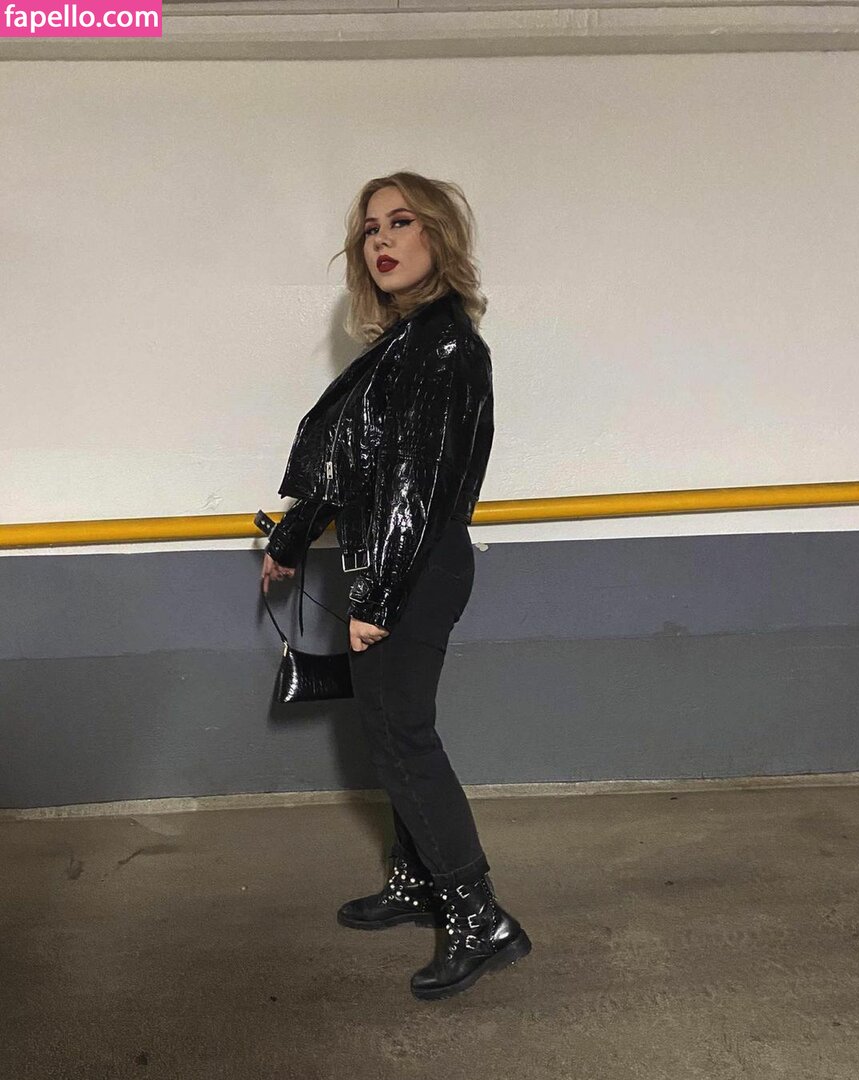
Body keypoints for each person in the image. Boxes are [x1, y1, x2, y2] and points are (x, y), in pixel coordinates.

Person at [260, 171, 531, 1001]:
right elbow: (357, 467)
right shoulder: (404, 345)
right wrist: (294, 538)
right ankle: (418, 881)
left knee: (404, 736)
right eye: (371, 228)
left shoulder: (446, 346)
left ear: (437, 236)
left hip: (413, 563)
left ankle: (480, 919)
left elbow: (416, 484)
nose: (381, 240)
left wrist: (377, 599)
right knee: (388, 730)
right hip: (396, 559)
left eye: (401, 222)